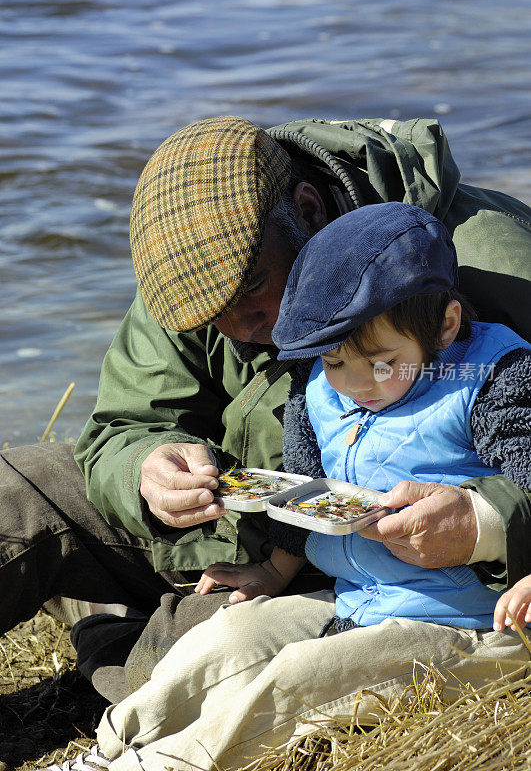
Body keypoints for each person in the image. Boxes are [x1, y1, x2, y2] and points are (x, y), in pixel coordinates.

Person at [2, 115, 530, 711]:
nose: (240, 328)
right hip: (213, 530)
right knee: (9, 499)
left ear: (307, 210)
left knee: (185, 671)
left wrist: (490, 519)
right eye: (211, 317)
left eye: (253, 287)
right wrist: (145, 468)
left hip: (358, 574)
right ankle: (116, 609)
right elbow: (119, 427)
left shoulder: (491, 256)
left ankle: (108, 622)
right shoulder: (198, 273)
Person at [80, 202, 531, 771]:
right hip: (358, 601)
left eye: (384, 363)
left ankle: (165, 764)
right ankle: (110, 748)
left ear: (445, 324)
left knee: (298, 680)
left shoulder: (492, 378)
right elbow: (307, 499)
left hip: (476, 624)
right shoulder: (319, 385)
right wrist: (273, 571)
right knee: (224, 640)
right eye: (339, 362)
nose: (359, 386)